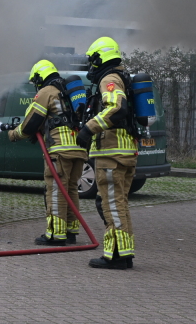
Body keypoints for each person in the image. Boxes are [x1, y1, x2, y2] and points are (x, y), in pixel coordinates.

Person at [9, 60, 87, 246]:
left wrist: (13, 134)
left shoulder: (46, 92)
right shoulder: (66, 92)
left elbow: (30, 123)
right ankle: (71, 231)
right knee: (71, 190)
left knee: (56, 191)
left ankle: (55, 234)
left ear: (39, 77)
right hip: (79, 148)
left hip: (59, 150)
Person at [76, 36, 138, 270]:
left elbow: (117, 108)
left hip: (112, 152)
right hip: (125, 150)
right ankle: (121, 252)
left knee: (111, 204)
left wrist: (88, 129)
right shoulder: (122, 77)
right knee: (116, 203)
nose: (91, 67)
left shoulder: (109, 79)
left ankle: (118, 256)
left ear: (100, 58)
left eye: (93, 61)